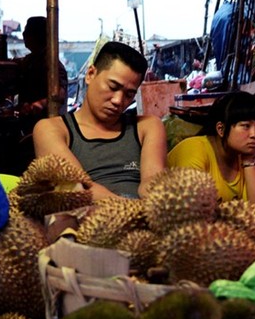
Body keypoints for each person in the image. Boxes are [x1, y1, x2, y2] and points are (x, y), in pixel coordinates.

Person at [33, 41, 167, 200]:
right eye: (113, 87)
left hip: (148, 217)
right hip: (83, 221)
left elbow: (152, 180)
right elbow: (79, 189)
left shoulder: (147, 126)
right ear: (90, 74)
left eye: (129, 94)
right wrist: (133, 209)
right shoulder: (51, 130)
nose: (118, 100)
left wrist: (160, 204)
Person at [167, 91, 255, 206]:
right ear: (221, 129)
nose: (254, 135)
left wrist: (249, 162)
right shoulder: (193, 150)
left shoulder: (243, 159)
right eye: (246, 126)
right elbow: (192, 215)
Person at [16, 16, 68, 118]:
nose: (23, 35)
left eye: (28, 32)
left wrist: (40, 103)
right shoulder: (29, 61)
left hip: (48, 124)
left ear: (39, 36)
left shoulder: (53, 66)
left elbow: (60, 94)